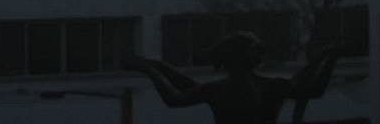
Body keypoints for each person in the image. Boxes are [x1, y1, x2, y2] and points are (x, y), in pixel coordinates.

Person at [124, 32, 346, 124]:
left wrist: (152, 70)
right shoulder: (270, 86)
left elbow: (178, 96)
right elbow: (313, 89)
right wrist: (329, 57)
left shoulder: (217, 90)